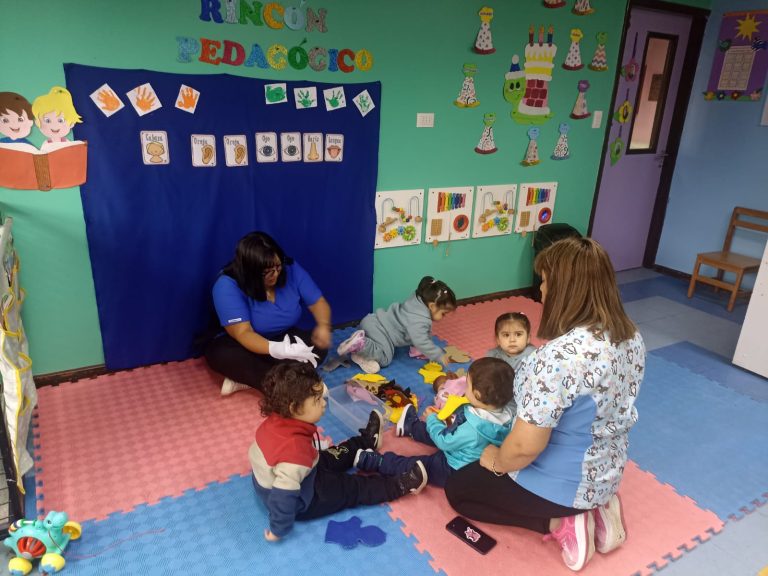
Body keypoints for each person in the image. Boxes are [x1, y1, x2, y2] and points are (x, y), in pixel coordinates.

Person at [444, 237, 645, 572]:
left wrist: (497, 460)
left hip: (563, 485)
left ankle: (561, 523)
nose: (541, 290)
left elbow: (523, 449)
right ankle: (599, 508)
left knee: (459, 490)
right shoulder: (631, 336)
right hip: (607, 472)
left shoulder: (555, 358)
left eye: (546, 281)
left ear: (567, 289)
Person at [250, 362, 428, 541]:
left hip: (300, 472)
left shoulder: (276, 421)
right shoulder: (294, 453)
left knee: (333, 455)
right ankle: (399, 485)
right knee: (353, 487)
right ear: (295, 408)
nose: (324, 403)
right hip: (306, 499)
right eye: (317, 400)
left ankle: (367, 441)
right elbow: (283, 495)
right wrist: (277, 529)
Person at [354, 357, 515, 488]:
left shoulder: (472, 430)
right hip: (466, 451)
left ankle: (378, 461)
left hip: (453, 468)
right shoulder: (507, 414)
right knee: (445, 427)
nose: (464, 387)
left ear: (478, 395)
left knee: (419, 464)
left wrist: (431, 419)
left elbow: (444, 441)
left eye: (468, 385)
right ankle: (412, 427)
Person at [205, 231, 332, 395]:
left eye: (278, 267)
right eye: (267, 272)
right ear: (250, 271)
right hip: (241, 343)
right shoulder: (227, 285)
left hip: (281, 336)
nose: (276, 274)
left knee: (317, 347)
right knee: (224, 355)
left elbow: (318, 302)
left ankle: (252, 379)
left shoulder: (290, 268)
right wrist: (276, 349)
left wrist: (323, 325)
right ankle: (289, 387)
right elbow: (243, 333)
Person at [336, 276, 457, 374]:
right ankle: (361, 346)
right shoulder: (420, 321)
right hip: (381, 332)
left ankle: (361, 345)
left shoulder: (416, 301)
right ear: (431, 306)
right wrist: (438, 354)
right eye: (443, 314)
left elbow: (422, 335)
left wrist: (421, 349)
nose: (443, 318)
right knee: (385, 359)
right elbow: (421, 340)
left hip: (373, 320)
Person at [431, 312, 535, 410]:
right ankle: (446, 386)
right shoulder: (493, 355)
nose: (512, 340)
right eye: (506, 335)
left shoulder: (533, 356)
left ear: (528, 338)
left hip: (519, 402)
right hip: (492, 398)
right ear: (497, 339)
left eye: (518, 334)